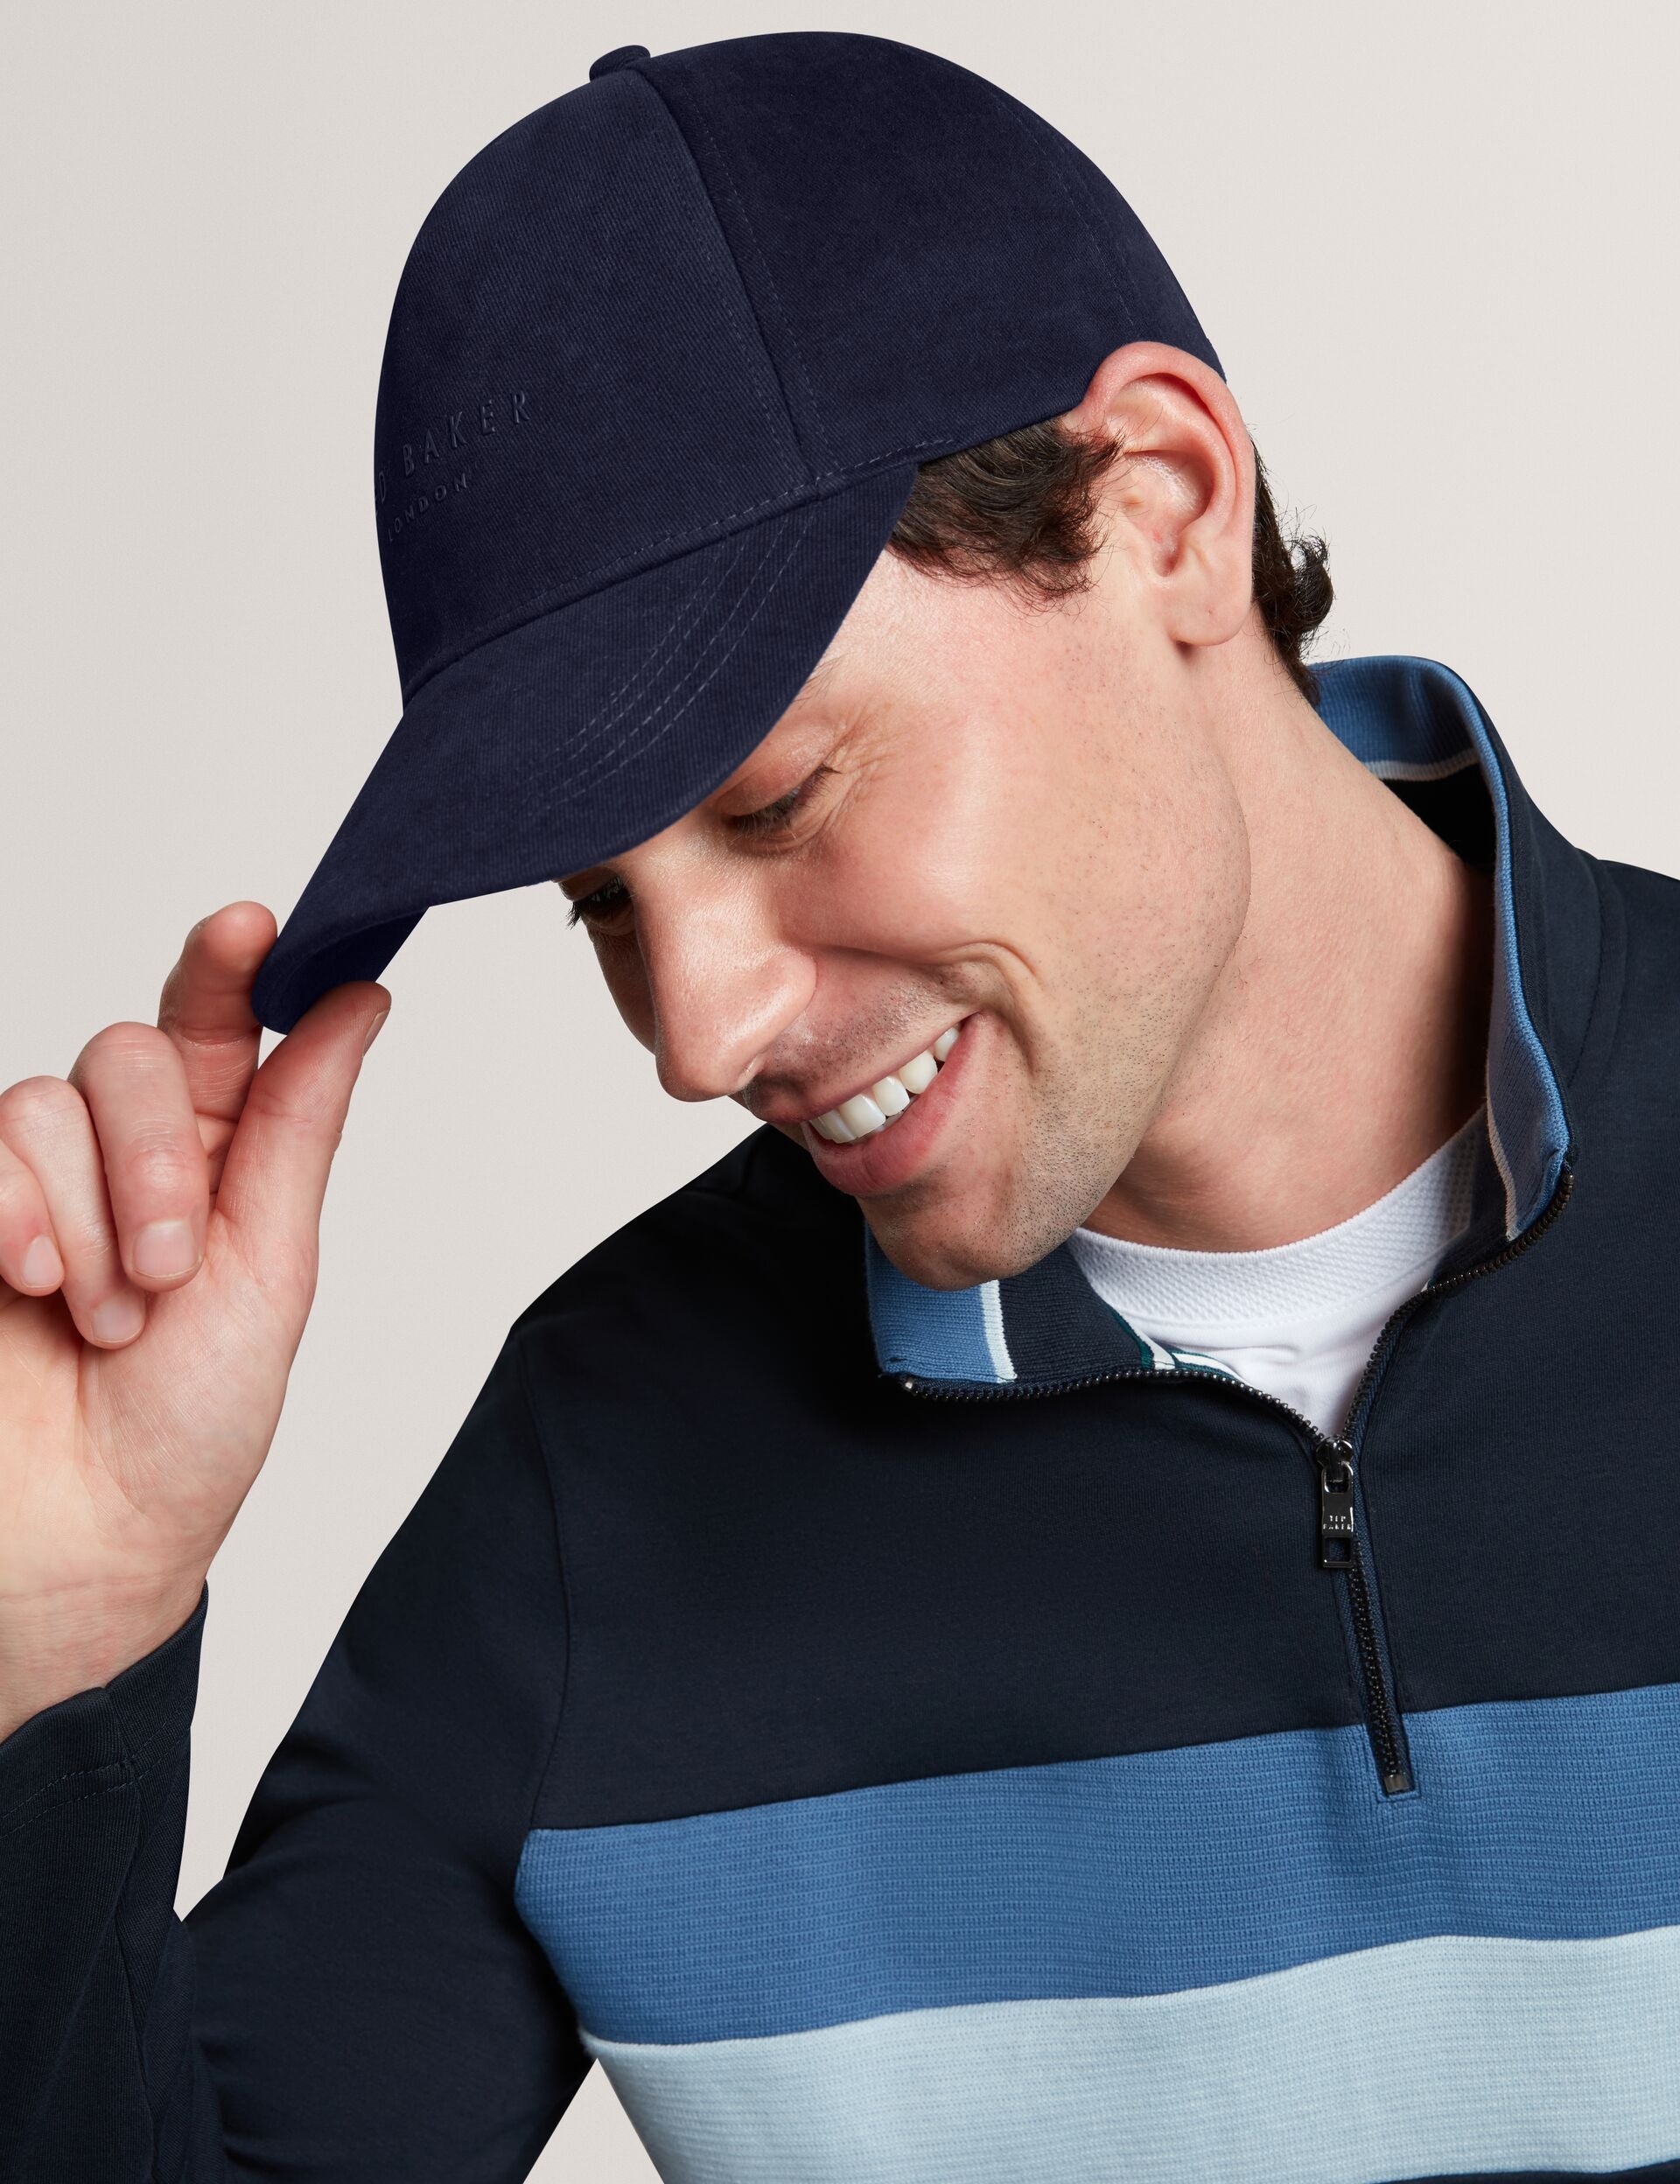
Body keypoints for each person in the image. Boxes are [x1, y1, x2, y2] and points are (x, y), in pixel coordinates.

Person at [4, 28, 1677, 2184]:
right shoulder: (610, 1474)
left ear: (1162, 508)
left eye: (783, 798)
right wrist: (59, 1647)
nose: (695, 1036)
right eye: (605, 904)